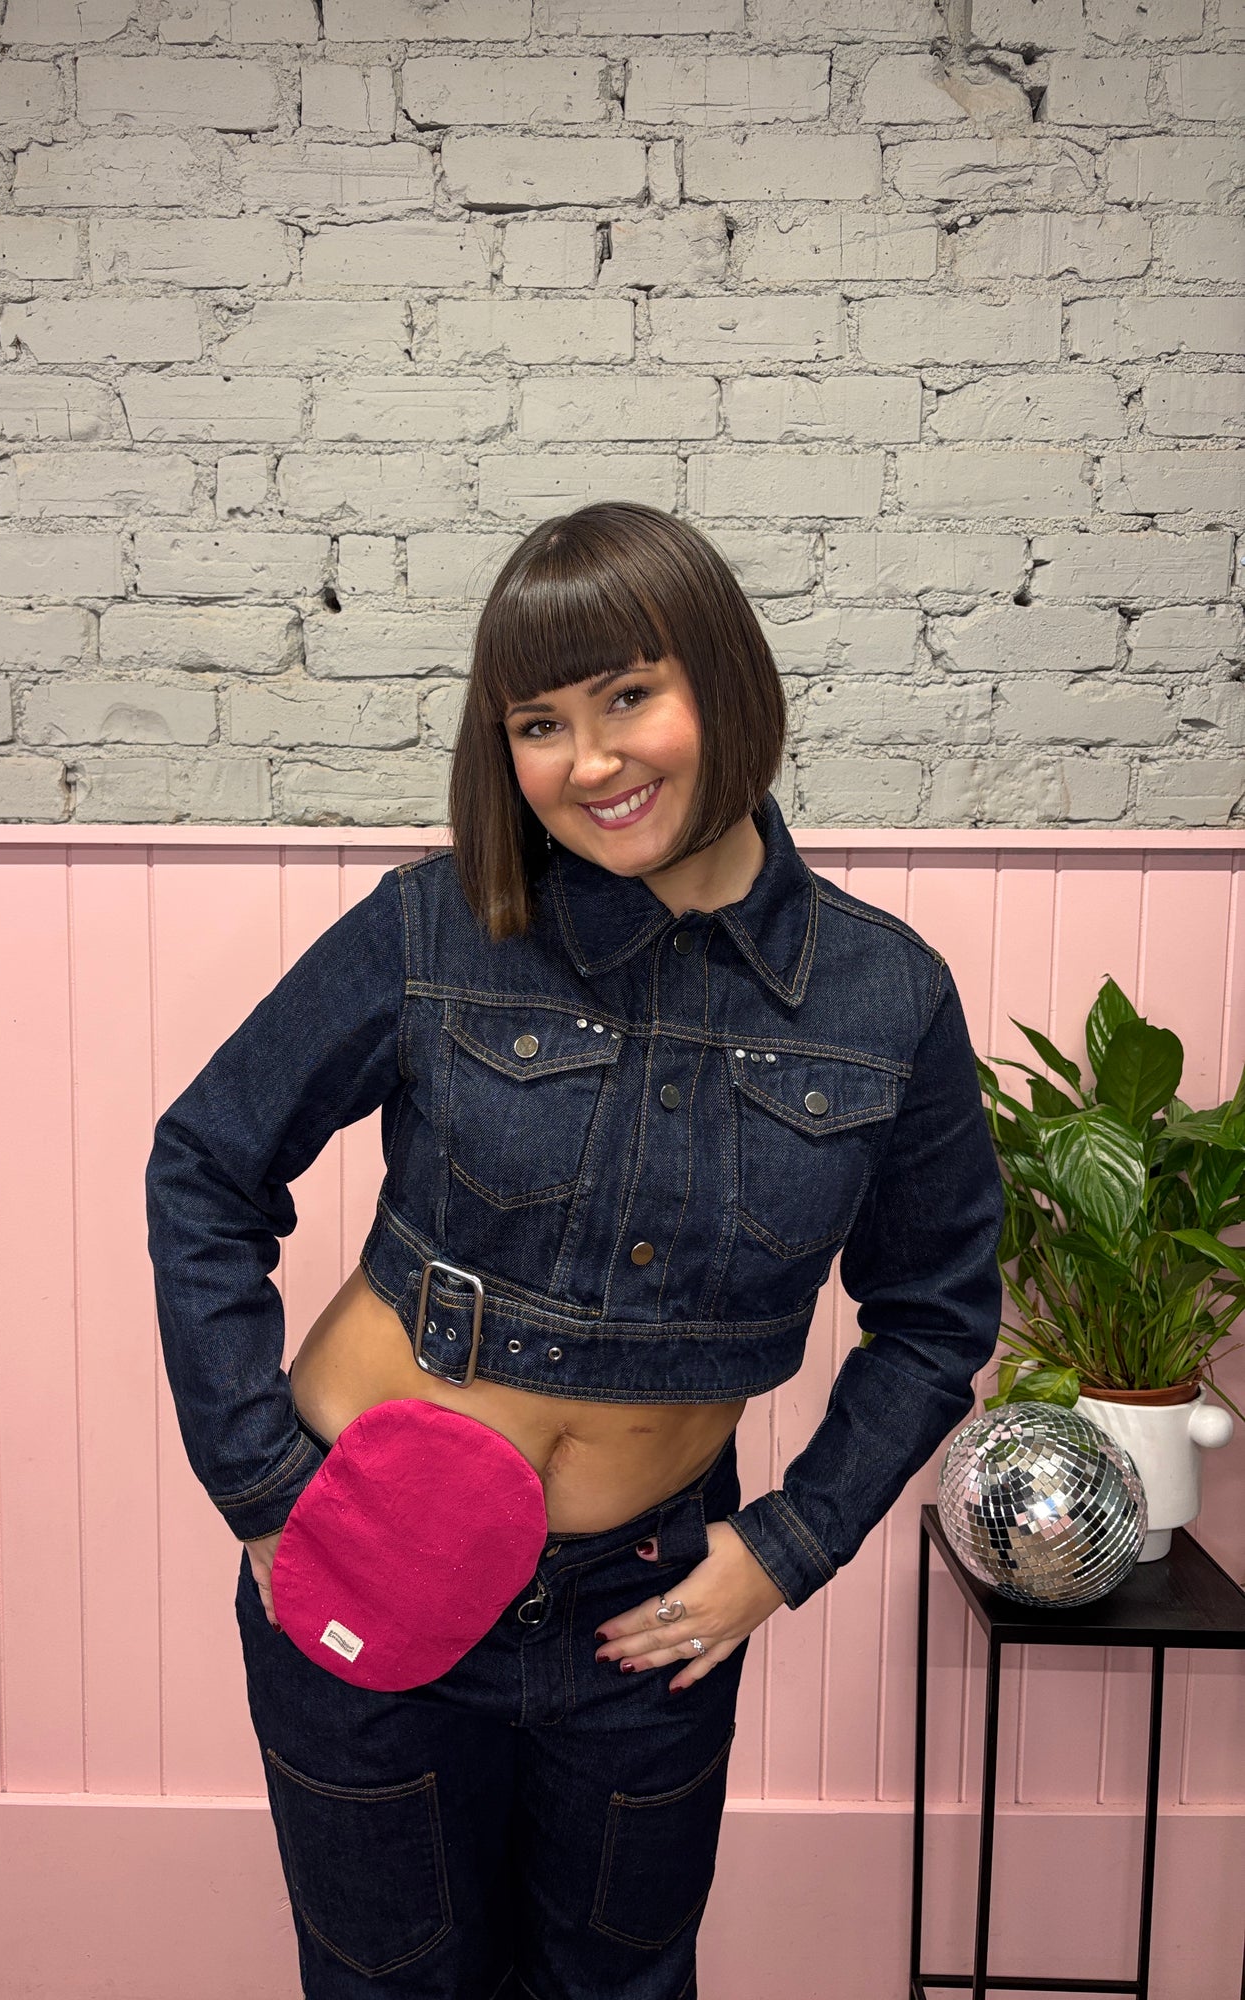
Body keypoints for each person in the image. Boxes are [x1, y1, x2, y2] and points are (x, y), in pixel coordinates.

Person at [144, 500, 1006, 1999]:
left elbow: (936, 1314)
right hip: (371, 1565)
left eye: (628, 696)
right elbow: (206, 1166)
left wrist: (784, 1551)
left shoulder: (887, 998)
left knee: (619, 1986)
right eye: (540, 723)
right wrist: (265, 1491)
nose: (591, 761)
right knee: (390, 1985)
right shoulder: (435, 929)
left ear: (723, 683)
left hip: (646, 1613)